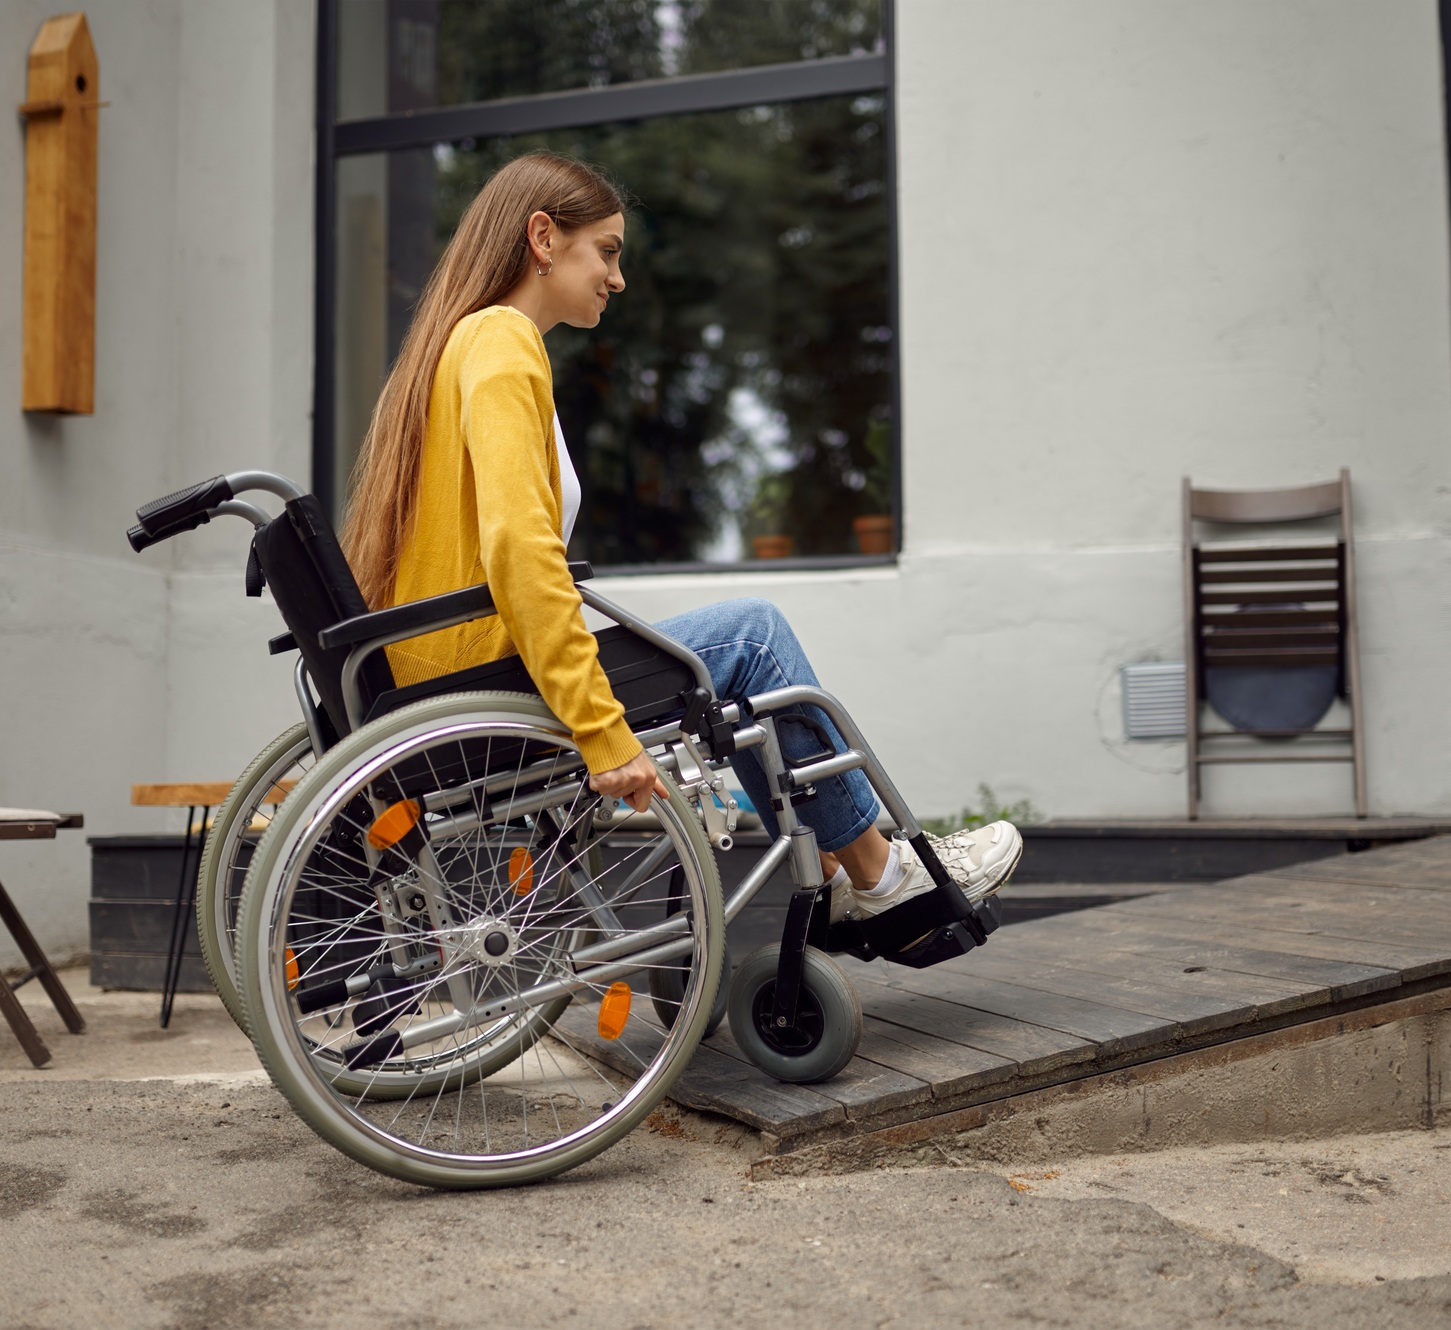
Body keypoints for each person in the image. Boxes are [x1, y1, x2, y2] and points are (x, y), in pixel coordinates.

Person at [340, 152, 1021, 922]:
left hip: (453, 678)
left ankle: (840, 867)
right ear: (542, 238)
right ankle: (881, 873)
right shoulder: (500, 340)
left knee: (739, 658)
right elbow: (518, 551)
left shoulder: (461, 343)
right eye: (606, 250)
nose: (617, 277)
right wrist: (602, 733)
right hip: (492, 681)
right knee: (754, 639)